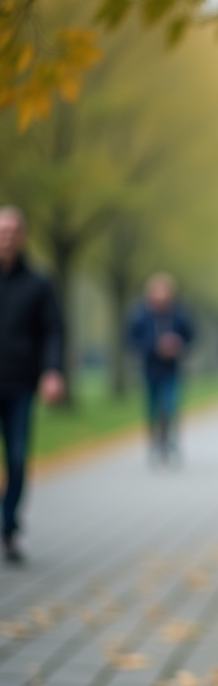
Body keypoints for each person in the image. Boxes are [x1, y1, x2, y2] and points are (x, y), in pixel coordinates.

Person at [0, 206, 64, 564]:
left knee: (18, 458)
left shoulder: (39, 282)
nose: (6, 236)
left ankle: (9, 526)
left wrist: (52, 371)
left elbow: (54, 329)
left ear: (23, 237)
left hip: (22, 383)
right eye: (1, 230)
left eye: (12, 231)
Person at [128, 273, 194, 466]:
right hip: (150, 369)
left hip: (172, 369)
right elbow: (132, 341)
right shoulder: (140, 315)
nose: (161, 297)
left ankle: (169, 443)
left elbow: (191, 336)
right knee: (152, 409)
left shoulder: (179, 314)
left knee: (170, 407)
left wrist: (178, 344)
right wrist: (156, 346)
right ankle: (155, 443)